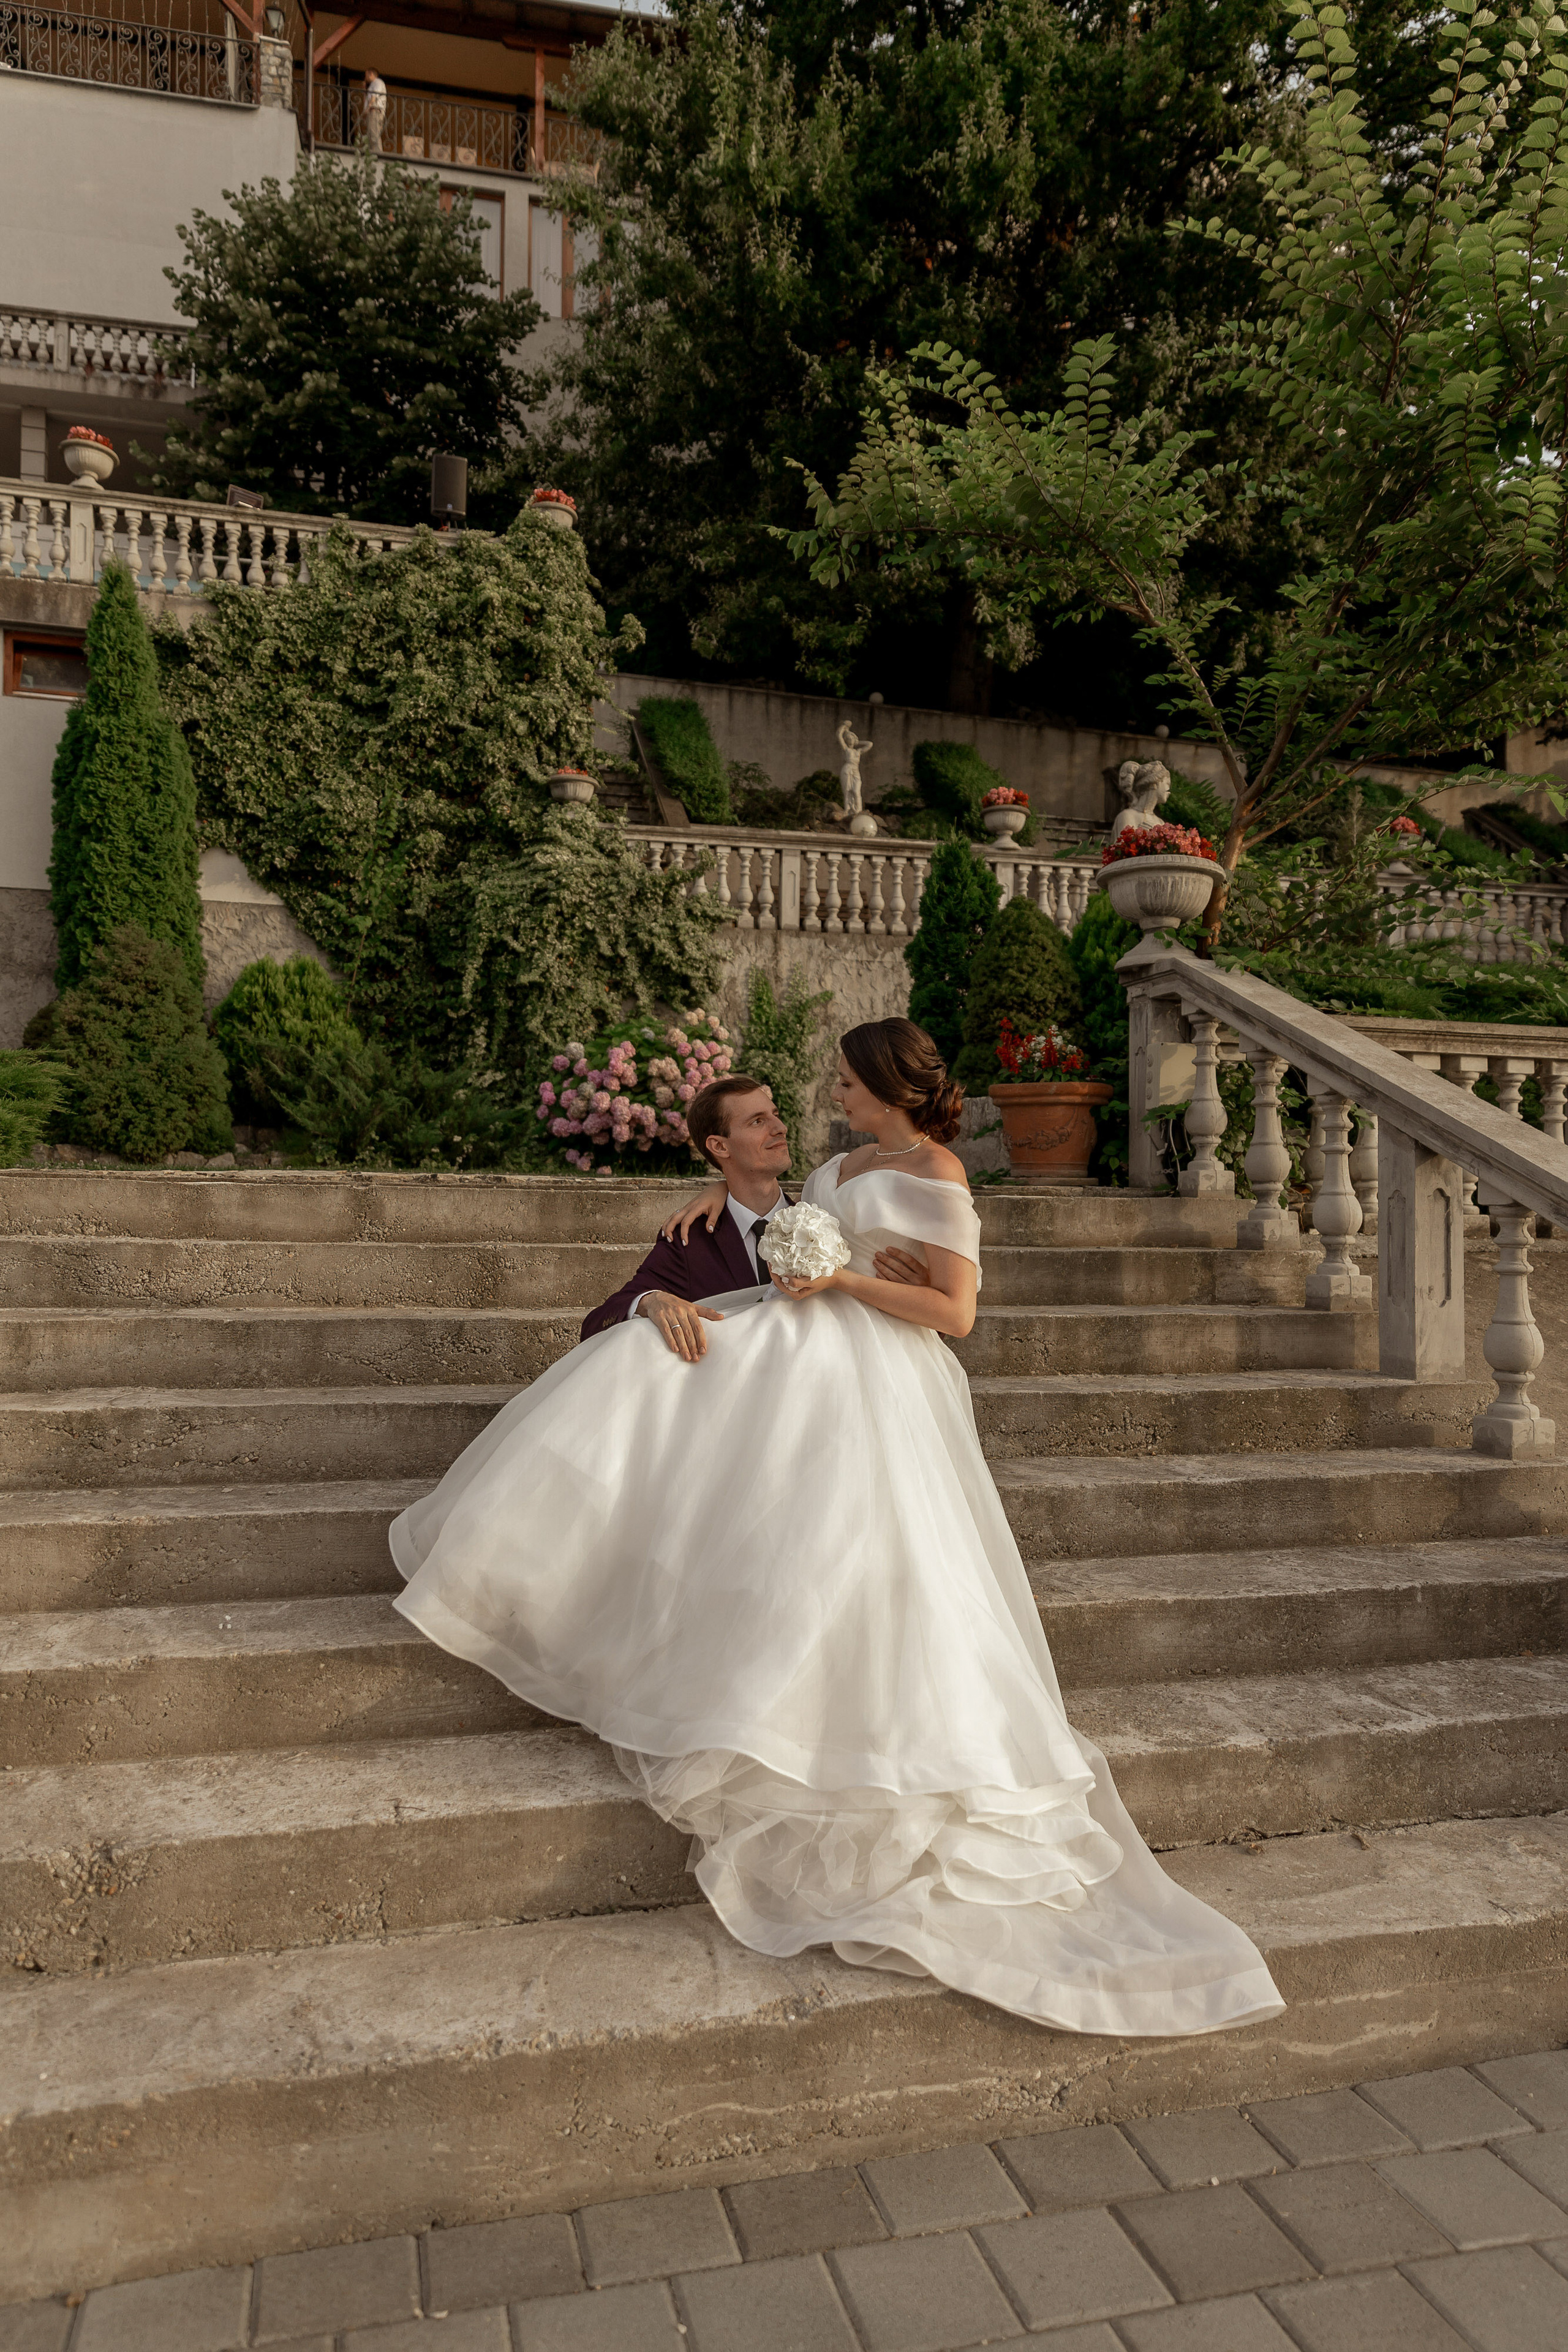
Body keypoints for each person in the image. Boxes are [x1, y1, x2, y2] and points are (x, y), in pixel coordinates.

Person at [390, 1019, 1283, 2038]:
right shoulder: (837, 1166)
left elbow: (955, 1314)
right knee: (734, 1474)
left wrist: (850, 1280)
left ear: (887, 1085)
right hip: (806, 1359)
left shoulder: (939, 1169)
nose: (831, 1097)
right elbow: (782, 1225)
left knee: (871, 1556)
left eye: (845, 1083)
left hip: (877, 1377)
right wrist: (723, 1207)